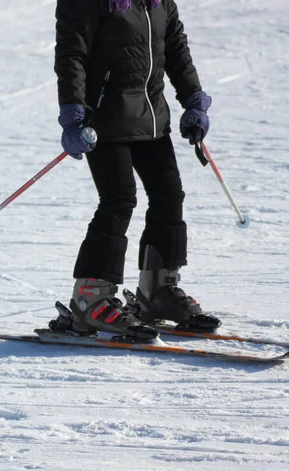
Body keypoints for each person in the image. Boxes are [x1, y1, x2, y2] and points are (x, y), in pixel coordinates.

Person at [54, 0, 220, 338]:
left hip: (152, 117)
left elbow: (174, 45)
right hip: (103, 119)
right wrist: (73, 110)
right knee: (119, 200)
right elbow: (72, 53)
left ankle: (158, 292)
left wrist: (192, 98)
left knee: (169, 195)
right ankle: (90, 300)